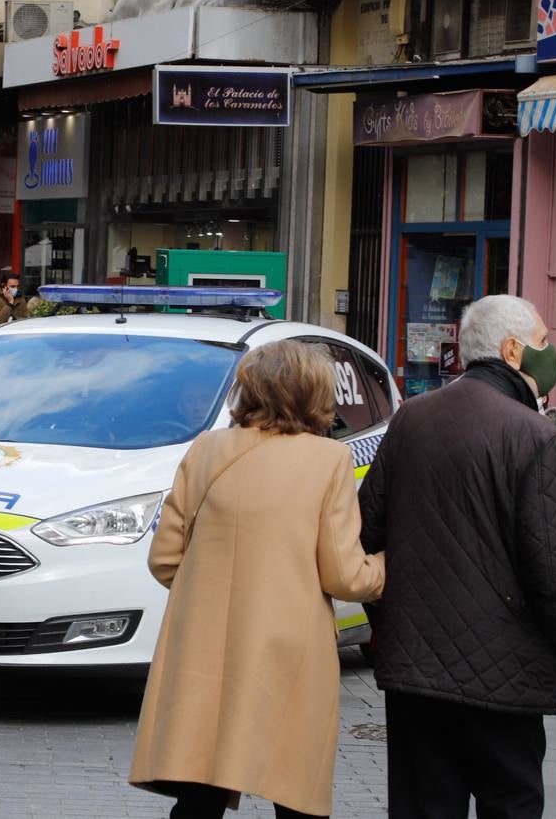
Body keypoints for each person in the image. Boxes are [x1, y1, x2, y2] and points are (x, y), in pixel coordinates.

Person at [130, 340, 385, 819]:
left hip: (203, 646)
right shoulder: (326, 460)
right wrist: (387, 567)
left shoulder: (206, 449)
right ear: (314, 392)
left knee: (200, 788)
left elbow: (165, 558)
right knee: (294, 789)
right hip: (288, 649)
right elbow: (345, 575)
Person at [358, 294, 556, 819]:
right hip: (505, 669)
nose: (550, 353)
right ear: (512, 351)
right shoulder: (536, 437)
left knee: (423, 803)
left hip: (416, 665)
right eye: (543, 342)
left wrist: (391, 618)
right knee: (510, 800)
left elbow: (365, 530)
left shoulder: (411, 418)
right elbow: (551, 569)